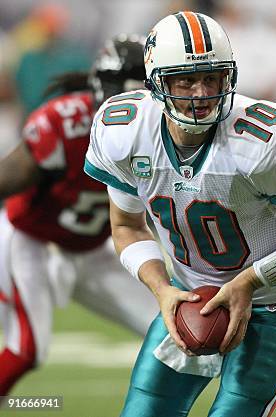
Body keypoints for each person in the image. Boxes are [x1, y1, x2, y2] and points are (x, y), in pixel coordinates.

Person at [84, 12, 276, 417]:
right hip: (189, 294)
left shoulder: (263, 140)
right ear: (157, 82)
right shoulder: (124, 130)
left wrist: (249, 282)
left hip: (275, 297)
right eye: (185, 80)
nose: (201, 92)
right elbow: (126, 226)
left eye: (212, 77)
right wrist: (163, 290)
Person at [0, 34, 159, 395]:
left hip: (94, 248)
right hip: (32, 240)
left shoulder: (163, 131)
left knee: (169, 327)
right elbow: (7, 179)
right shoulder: (65, 123)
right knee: (27, 349)